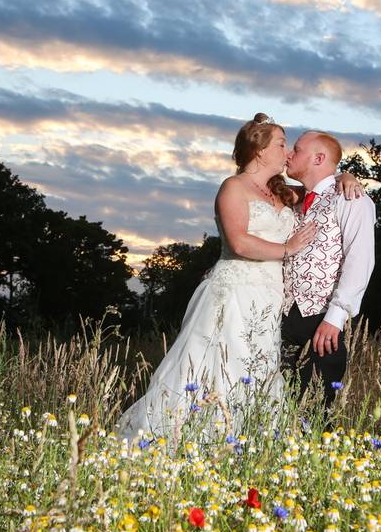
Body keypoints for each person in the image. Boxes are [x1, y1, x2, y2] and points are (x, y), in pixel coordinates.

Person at [115, 115, 360, 442]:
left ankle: (245, 441)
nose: (288, 152)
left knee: (257, 371)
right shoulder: (233, 187)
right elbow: (239, 242)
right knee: (218, 366)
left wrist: (346, 174)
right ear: (259, 151)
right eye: (281, 144)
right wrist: (287, 248)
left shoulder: (282, 193)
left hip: (271, 298)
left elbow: (321, 184)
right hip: (235, 291)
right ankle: (192, 437)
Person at [281, 130, 376, 408]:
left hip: (322, 320)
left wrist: (335, 317)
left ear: (318, 157)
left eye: (296, 150)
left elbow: (360, 260)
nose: (289, 154)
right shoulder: (298, 200)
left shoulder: (352, 199)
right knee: (278, 406)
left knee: (317, 408)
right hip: (284, 316)